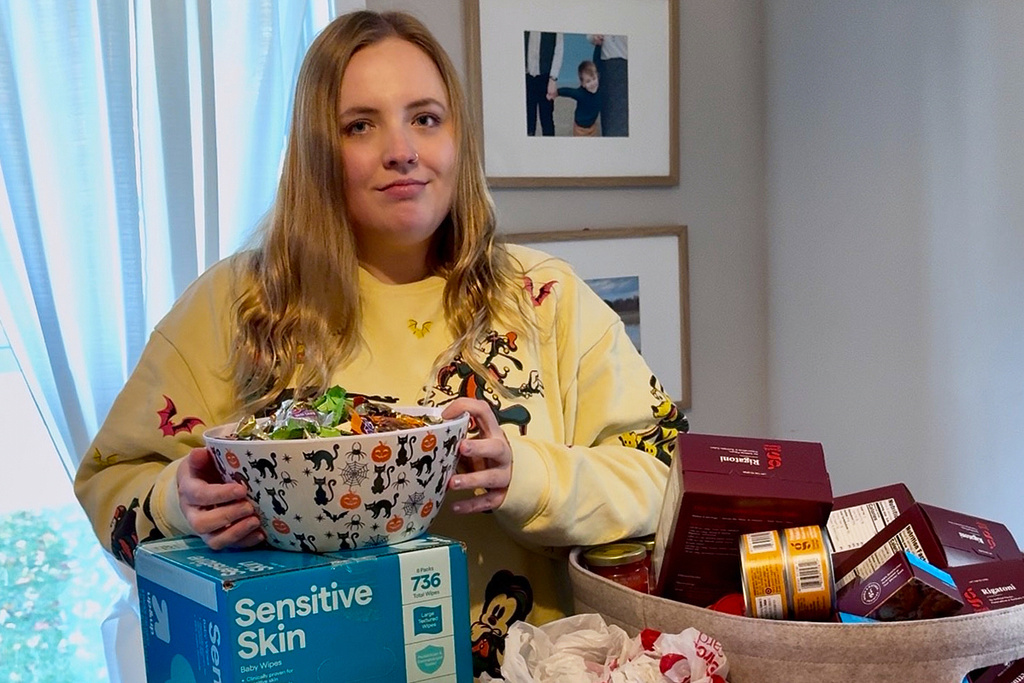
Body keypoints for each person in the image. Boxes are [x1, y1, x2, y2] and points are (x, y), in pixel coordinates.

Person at [74, 10, 686, 679]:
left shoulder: (547, 299)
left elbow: (670, 481)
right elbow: (109, 481)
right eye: (361, 125)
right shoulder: (237, 305)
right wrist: (176, 500)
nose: (403, 148)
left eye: (425, 118)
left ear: (458, 137)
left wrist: (527, 474)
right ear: (317, 150)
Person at [588, 33, 629, 137]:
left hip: (625, 61)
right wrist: (594, 37)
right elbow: (590, 34)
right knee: (607, 110)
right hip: (605, 63)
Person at [523, 30, 563, 136]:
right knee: (528, 119)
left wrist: (553, 78)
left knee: (546, 118)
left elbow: (559, 49)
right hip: (527, 77)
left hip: (546, 78)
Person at [557, 59, 602, 137]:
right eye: (588, 81)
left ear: (598, 77)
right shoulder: (580, 93)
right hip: (580, 129)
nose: (592, 83)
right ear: (583, 84)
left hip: (593, 126)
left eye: (594, 79)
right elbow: (568, 92)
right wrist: (556, 92)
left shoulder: (600, 90)